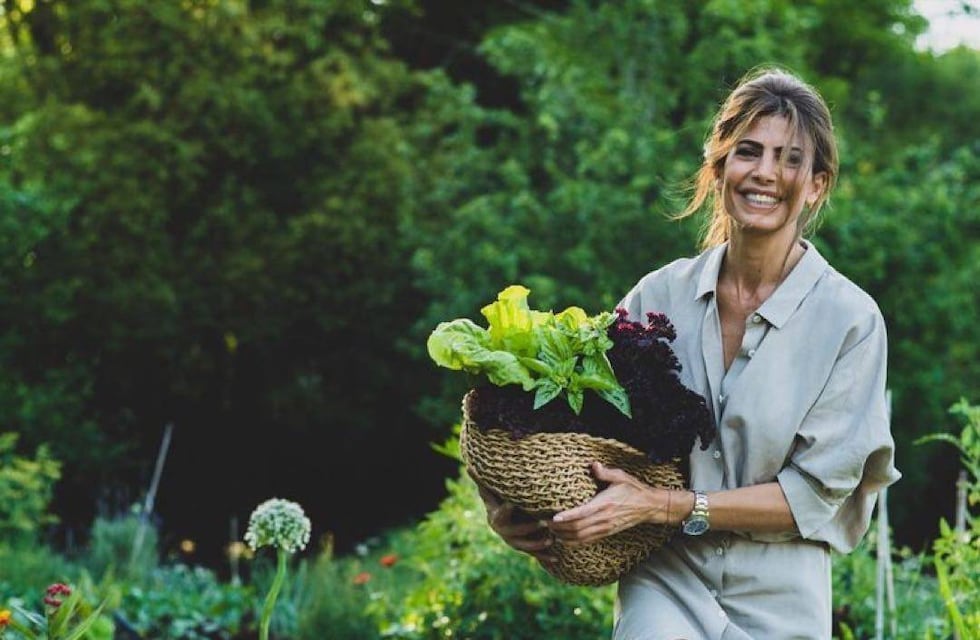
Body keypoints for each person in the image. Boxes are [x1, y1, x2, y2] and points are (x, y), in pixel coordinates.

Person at [475, 66, 901, 639]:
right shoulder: (658, 297)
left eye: (790, 158)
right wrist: (507, 509)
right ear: (720, 166)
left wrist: (663, 505)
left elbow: (812, 497)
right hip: (666, 580)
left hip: (783, 597)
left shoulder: (850, 322)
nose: (766, 173)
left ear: (817, 184)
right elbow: (562, 425)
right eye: (748, 151)